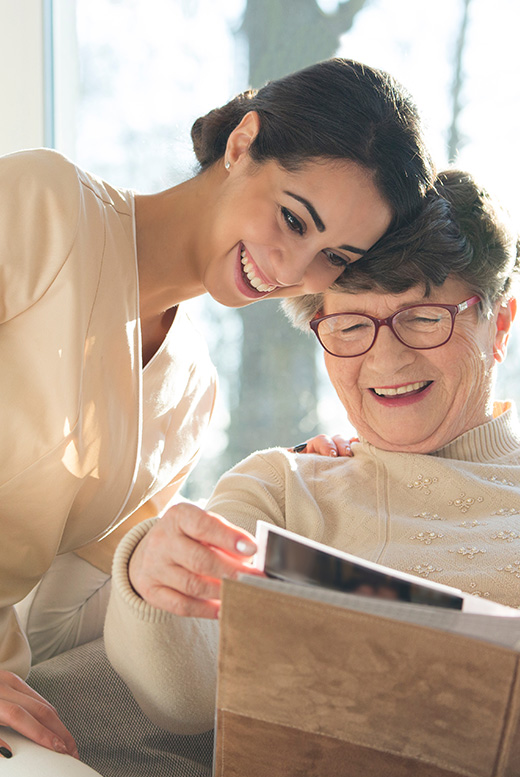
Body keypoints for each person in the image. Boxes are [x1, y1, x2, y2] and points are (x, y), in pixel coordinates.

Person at [0, 57, 434, 759]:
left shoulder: (191, 394)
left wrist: (285, 519)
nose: (293, 273)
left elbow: (59, 628)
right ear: (242, 145)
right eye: (294, 219)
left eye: (332, 259)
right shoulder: (42, 206)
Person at [103, 168, 520, 744]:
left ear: (498, 324)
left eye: (423, 319)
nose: (386, 362)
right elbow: (187, 701)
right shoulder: (280, 486)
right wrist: (151, 577)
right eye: (350, 326)